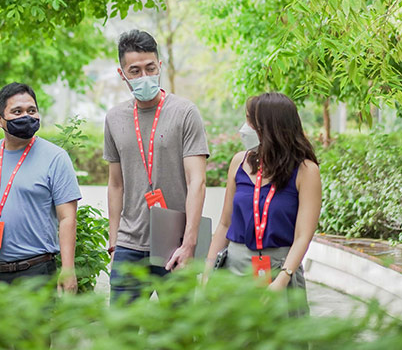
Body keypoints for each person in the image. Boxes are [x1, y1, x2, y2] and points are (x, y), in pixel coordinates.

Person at [104, 29, 210, 302]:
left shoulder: (185, 112)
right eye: (135, 71)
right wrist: (114, 241)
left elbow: (196, 182)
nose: (144, 77)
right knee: (121, 336)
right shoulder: (114, 118)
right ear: (122, 74)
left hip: (174, 244)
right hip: (129, 244)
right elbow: (115, 183)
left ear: (160, 66)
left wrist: (189, 244)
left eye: (150, 68)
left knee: (179, 337)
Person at [205, 92, 321, 310]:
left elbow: (303, 236)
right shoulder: (239, 162)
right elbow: (224, 224)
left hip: (279, 270)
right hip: (234, 269)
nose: (243, 128)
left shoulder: (306, 171)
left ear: (272, 127)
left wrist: (283, 278)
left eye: (250, 122)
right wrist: (209, 269)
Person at [0, 82, 80, 293]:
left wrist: (68, 270)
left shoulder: (56, 158)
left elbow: (67, 218)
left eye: (31, 110)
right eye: (17, 111)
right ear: (0, 119)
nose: (26, 116)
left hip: (34, 273)